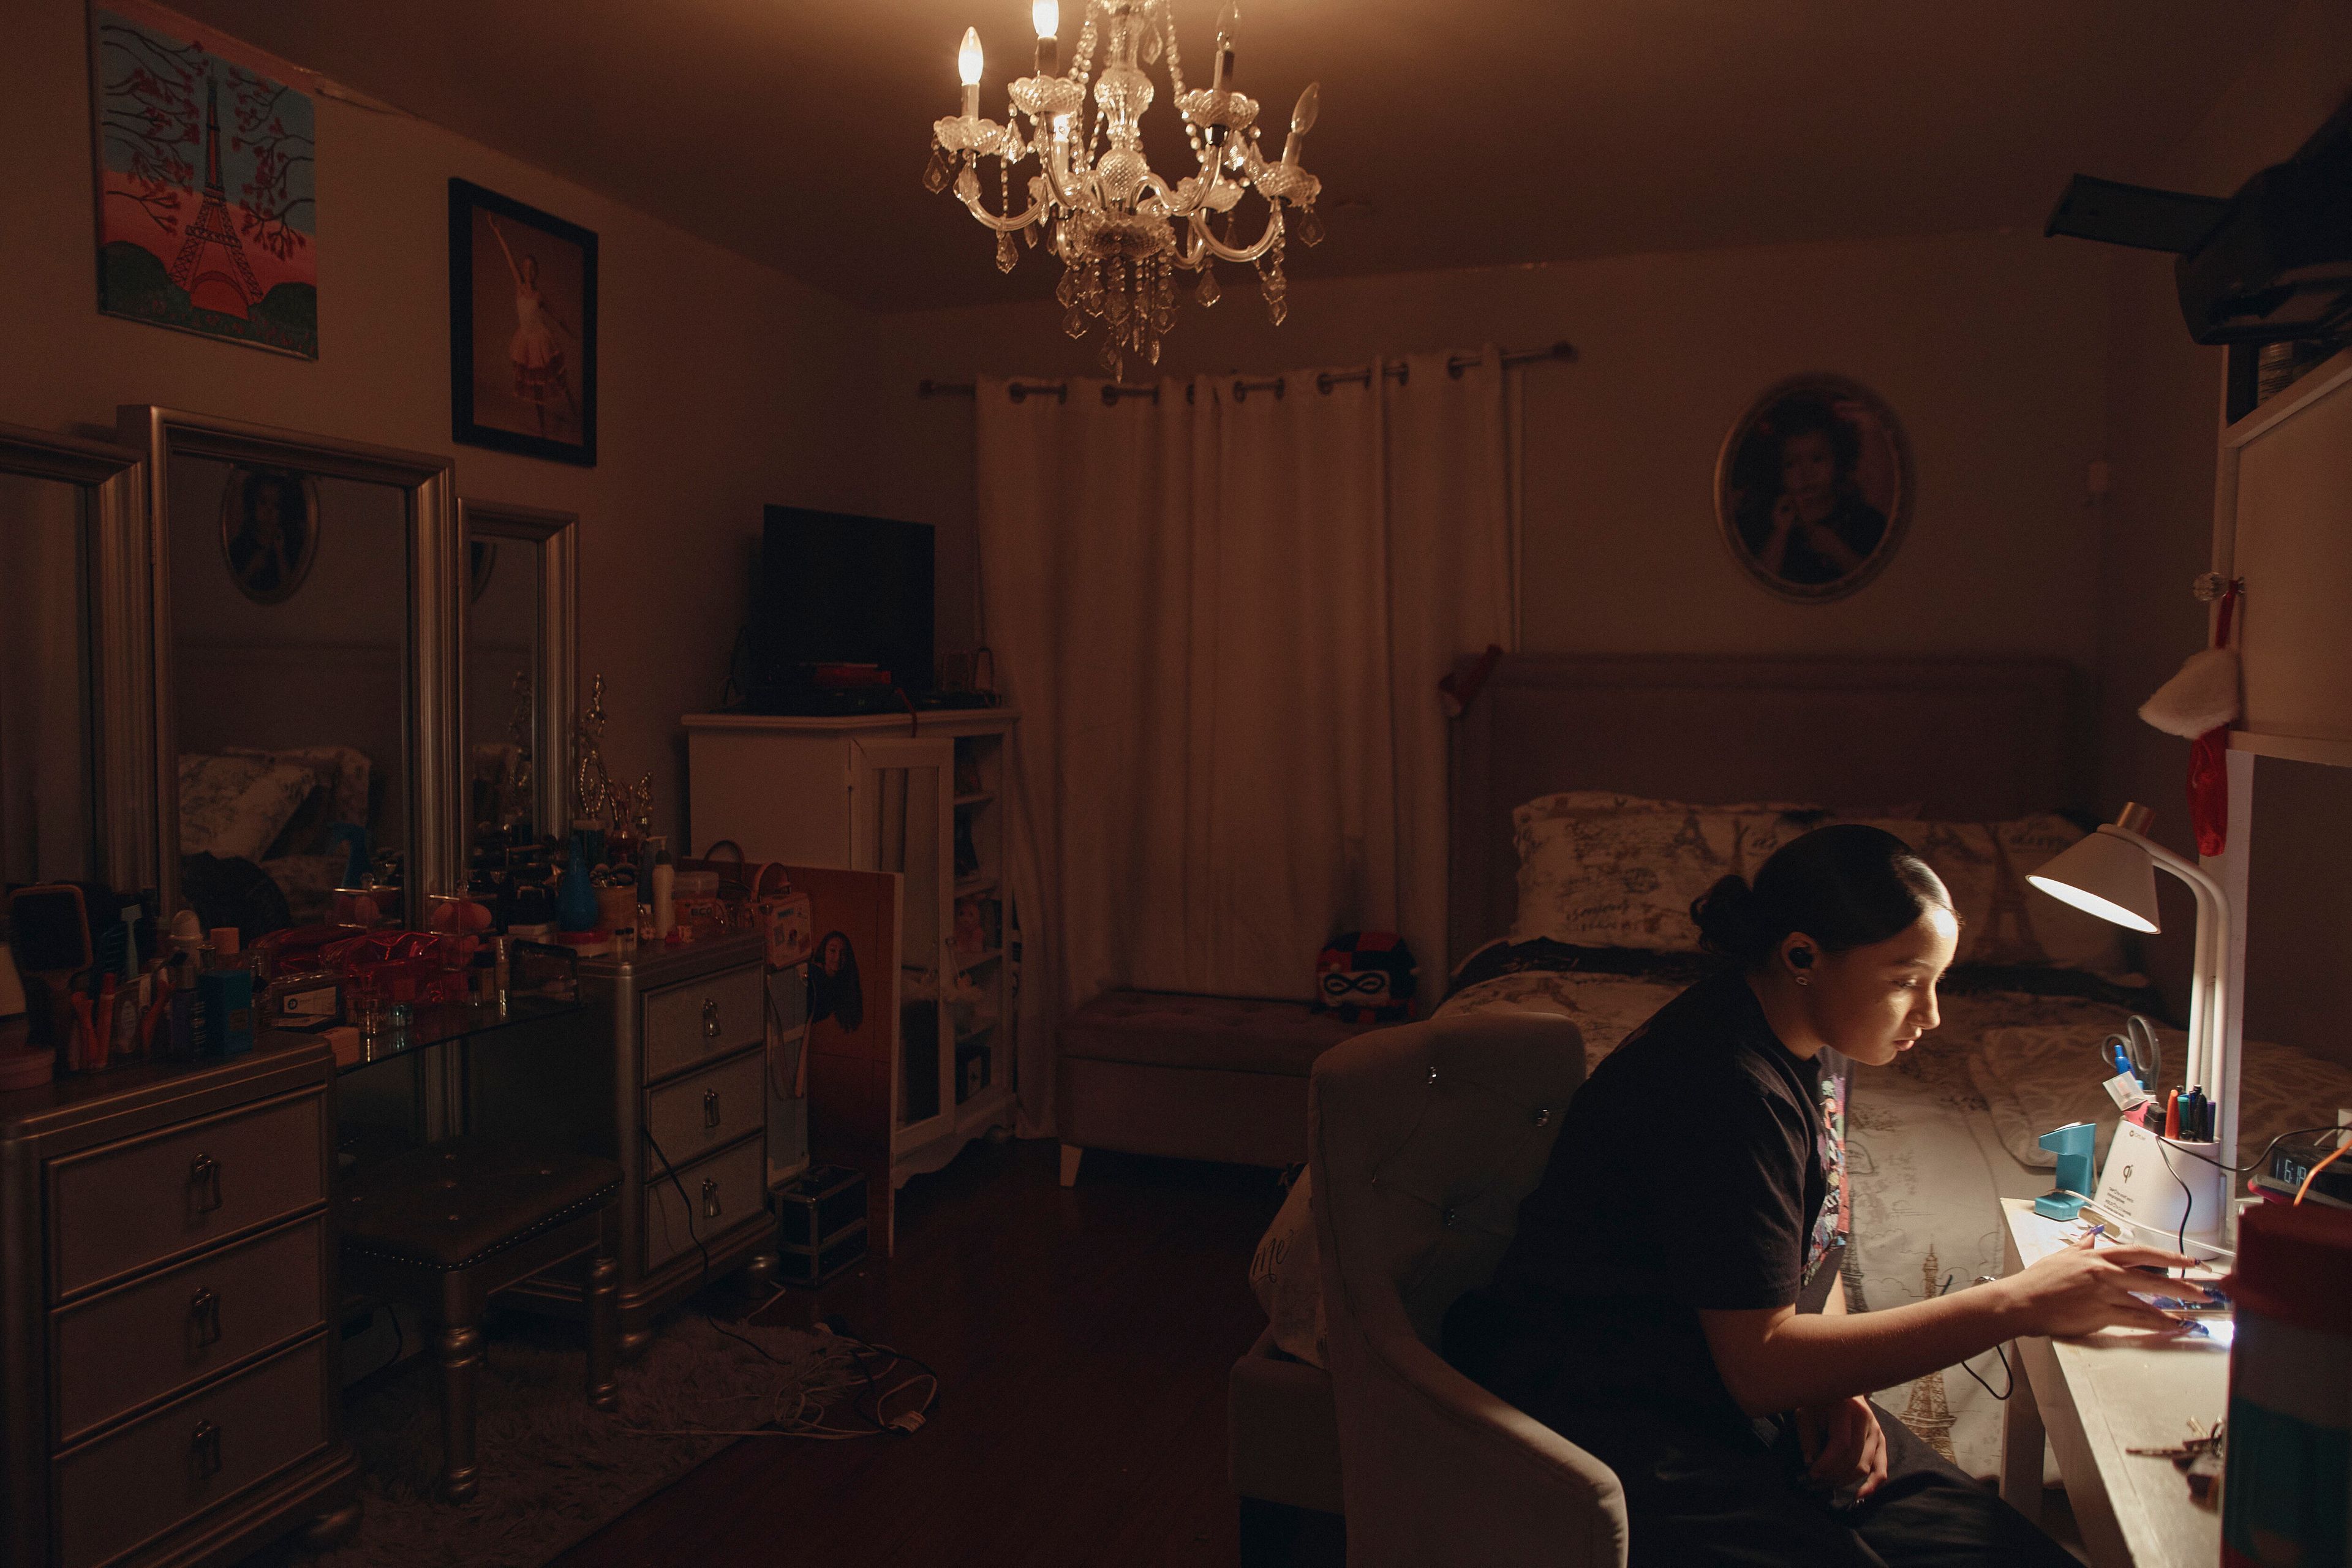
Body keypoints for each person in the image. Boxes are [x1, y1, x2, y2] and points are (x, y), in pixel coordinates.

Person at [1444, 825, 2206, 1567]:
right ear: (1802, 954)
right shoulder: (1723, 1084)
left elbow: (1814, 1253)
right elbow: (1762, 1364)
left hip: (1745, 1393)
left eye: (1937, 980)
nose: (1932, 1015)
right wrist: (2021, 1301)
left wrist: (1843, 1385)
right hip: (1623, 1414)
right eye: (1906, 980)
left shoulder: (1810, 1043)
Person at [1736, 396, 1888, 587]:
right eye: (1791, 464)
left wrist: (1838, 552)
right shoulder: (1759, 521)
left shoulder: (1866, 521)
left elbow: (1886, 587)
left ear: (1838, 460)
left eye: (1817, 459)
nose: (1806, 474)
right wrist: (1779, 534)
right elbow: (1751, 591)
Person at [488, 215, 579, 437]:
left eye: (532, 268)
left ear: (536, 272)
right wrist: (498, 233)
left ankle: (575, 412)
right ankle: (542, 428)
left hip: (540, 339)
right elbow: (509, 259)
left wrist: (571, 332)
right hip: (526, 340)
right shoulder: (519, 287)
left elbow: (556, 315)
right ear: (523, 270)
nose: (528, 271)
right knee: (536, 386)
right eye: (525, 268)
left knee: (557, 378)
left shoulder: (538, 295)